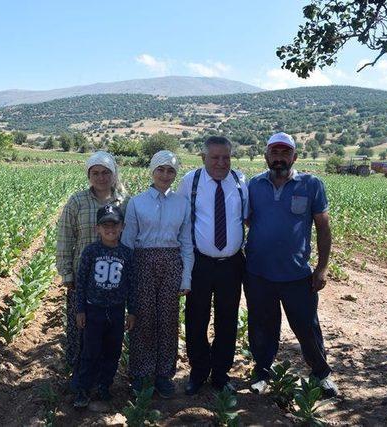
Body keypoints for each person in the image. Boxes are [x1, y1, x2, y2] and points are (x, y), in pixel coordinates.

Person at [244, 132, 338, 398]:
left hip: (297, 275)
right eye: (274, 153)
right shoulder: (253, 185)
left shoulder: (311, 185)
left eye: (285, 153)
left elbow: (323, 226)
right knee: (262, 326)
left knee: (307, 327)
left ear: (294, 157)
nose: (279, 158)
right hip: (259, 273)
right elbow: (249, 220)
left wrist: (322, 267)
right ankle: (262, 372)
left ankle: (321, 374)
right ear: (266, 157)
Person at [177, 136, 248, 395]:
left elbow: (248, 218)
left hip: (232, 265)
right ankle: (198, 372)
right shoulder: (190, 182)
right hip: (200, 263)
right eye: (215, 157)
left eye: (226, 157)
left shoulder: (241, 181)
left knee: (227, 320)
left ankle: (220, 373)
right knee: (196, 319)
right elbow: (182, 220)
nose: (221, 163)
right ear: (203, 158)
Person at [121, 150, 193, 398]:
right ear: (152, 171)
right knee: (142, 318)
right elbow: (128, 242)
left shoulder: (182, 204)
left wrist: (186, 278)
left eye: (170, 170)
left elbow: (185, 243)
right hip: (142, 261)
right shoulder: (137, 203)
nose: (165, 174)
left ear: (176, 174)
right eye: (160, 169)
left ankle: (163, 374)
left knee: (168, 319)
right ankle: (141, 374)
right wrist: (127, 276)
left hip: (172, 262)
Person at [56, 151, 128, 381]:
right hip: (83, 278)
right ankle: (79, 377)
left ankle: (103, 380)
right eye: (95, 173)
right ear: (89, 175)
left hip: (113, 280)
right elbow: (65, 238)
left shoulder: (124, 201)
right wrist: (67, 273)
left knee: (108, 332)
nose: (101, 177)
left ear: (114, 174)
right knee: (80, 329)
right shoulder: (77, 201)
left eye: (106, 172)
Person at [73, 205, 136, 408]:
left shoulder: (127, 253)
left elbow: (132, 285)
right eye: (105, 225)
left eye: (114, 225)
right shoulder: (91, 251)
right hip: (94, 311)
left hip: (117, 311)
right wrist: (80, 309)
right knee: (90, 352)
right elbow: (81, 283)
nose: (110, 229)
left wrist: (131, 311)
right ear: (97, 228)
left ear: (122, 227)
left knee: (113, 351)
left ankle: (104, 386)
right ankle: (83, 388)